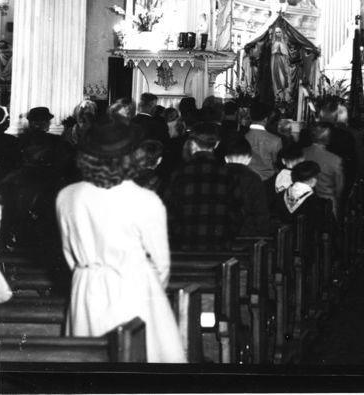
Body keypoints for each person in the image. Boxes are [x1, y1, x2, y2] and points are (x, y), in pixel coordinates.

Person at [55, 113, 185, 363]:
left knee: (90, 368)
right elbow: (161, 264)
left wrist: (90, 273)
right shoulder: (145, 200)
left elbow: (69, 254)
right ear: (132, 156)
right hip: (134, 285)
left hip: (86, 288)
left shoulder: (67, 196)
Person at [163, 122, 245, 250]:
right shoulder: (227, 174)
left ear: (193, 144)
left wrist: (179, 234)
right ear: (216, 144)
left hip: (186, 245)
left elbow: (169, 212)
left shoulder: (180, 174)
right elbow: (237, 213)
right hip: (219, 245)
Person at [223, 136, 271, 237]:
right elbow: (261, 211)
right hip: (246, 232)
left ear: (225, 158)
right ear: (249, 158)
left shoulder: (218, 174)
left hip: (222, 231)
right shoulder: (254, 177)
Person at [301, 126, 345, 217]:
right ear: (327, 139)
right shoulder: (335, 159)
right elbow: (339, 186)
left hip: (304, 200)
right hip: (328, 201)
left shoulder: (302, 153)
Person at [245, 101, 282, 183]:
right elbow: (276, 163)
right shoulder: (275, 140)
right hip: (268, 181)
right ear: (266, 119)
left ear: (250, 117)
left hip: (246, 180)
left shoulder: (242, 137)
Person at [270, 28, 291, 104]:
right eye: (276, 32)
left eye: (279, 32)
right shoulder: (273, 43)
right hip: (275, 62)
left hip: (282, 62)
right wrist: (275, 51)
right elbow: (271, 53)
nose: (278, 33)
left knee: (283, 78)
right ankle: (278, 96)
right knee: (276, 78)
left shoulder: (283, 43)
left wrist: (282, 51)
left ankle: (283, 97)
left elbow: (286, 54)